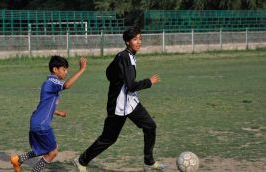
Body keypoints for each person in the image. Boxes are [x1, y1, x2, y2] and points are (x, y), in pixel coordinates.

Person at [73, 27, 166, 172]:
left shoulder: (127, 56)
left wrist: (116, 79)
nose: (139, 42)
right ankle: (81, 161)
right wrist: (149, 81)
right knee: (108, 138)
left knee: (150, 126)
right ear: (128, 42)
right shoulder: (123, 56)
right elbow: (130, 86)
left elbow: (109, 72)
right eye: (135, 39)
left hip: (131, 103)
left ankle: (149, 162)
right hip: (118, 105)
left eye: (140, 38)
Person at [10, 55, 87, 172]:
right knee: (53, 152)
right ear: (55, 70)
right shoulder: (52, 81)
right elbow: (67, 85)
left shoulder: (47, 83)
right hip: (42, 125)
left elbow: (44, 104)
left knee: (44, 150)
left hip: (36, 122)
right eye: (64, 69)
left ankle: (18, 159)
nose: (66, 72)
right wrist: (81, 69)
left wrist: (57, 112)